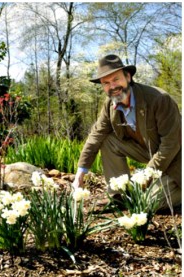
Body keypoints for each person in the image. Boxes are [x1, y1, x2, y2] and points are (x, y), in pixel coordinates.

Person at [72, 54, 181, 211]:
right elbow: (95, 136)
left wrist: (145, 177)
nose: (112, 86)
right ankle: (119, 197)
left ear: (128, 77)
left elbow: (171, 145)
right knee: (107, 139)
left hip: (177, 158)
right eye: (106, 83)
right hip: (151, 151)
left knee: (146, 204)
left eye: (116, 79)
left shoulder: (158, 99)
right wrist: (80, 174)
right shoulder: (110, 106)